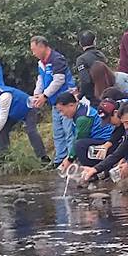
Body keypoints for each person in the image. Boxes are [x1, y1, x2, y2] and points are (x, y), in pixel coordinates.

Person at [30, 35, 76, 166]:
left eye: (34, 50)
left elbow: (59, 80)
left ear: (42, 46)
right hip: (54, 102)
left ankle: (70, 159)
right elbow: (41, 78)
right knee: (58, 132)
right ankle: (59, 160)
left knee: (69, 131)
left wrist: (44, 96)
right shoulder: (41, 63)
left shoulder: (57, 59)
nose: (33, 53)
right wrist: (37, 94)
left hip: (66, 100)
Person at [0, 81, 50, 163]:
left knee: (31, 131)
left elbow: (2, 118)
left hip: (27, 109)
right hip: (13, 113)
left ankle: (43, 158)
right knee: (2, 130)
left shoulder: (4, 96)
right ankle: (4, 156)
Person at [54, 92, 115, 169]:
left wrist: (70, 159)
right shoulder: (80, 110)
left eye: (62, 111)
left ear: (71, 105)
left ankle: (92, 168)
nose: (62, 114)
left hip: (107, 143)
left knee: (79, 145)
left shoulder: (83, 118)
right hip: (100, 141)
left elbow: (79, 138)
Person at [76, 30, 107, 107]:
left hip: (94, 98)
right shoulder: (101, 55)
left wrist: (79, 96)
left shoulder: (81, 59)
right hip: (107, 92)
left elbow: (86, 80)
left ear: (80, 43)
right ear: (94, 41)